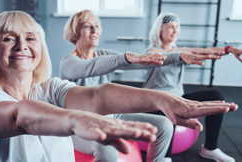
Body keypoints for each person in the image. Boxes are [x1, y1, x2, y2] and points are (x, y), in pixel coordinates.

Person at [0, 11, 238, 162]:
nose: (21, 45)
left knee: (162, 124)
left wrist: (160, 99)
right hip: (85, 126)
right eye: (8, 38)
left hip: (95, 120)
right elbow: (19, 116)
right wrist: (78, 119)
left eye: (30, 38)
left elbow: (98, 95)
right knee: (106, 149)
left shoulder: (49, 88)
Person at [59, 10, 232, 162]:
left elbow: (144, 61)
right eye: (88, 26)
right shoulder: (68, 61)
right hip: (81, 123)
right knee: (107, 151)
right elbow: (90, 67)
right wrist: (125, 57)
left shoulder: (104, 54)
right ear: (75, 31)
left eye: (97, 25)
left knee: (164, 125)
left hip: (111, 115)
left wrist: (179, 56)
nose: (95, 30)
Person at [143, 12, 242, 162]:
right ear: (159, 30)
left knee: (216, 96)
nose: (175, 30)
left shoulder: (181, 50)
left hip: (178, 97)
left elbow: (202, 49)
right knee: (169, 106)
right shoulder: (150, 51)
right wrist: (185, 53)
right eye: (170, 27)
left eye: (177, 27)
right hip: (155, 102)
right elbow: (169, 54)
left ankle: (210, 149)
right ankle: (165, 158)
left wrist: (230, 49)